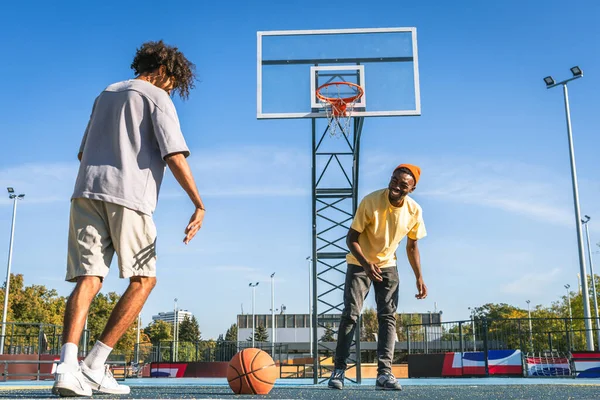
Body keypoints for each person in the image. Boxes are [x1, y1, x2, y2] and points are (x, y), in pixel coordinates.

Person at [52, 40, 205, 397]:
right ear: (165, 71)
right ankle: (94, 365)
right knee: (143, 280)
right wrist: (198, 203)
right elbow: (174, 156)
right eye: (173, 82)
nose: (172, 88)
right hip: (130, 197)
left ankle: (67, 367)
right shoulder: (156, 97)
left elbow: (82, 151)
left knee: (88, 279)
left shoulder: (105, 93)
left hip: (86, 192)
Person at [328, 164, 428, 391]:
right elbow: (351, 237)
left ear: (410, 189)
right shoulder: (371, 201)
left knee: (388, 317)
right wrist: (365, 263)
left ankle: (384, 374)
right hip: (359, 262)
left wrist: (419, 277)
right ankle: (339, 370)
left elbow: (412, 247)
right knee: (351, 315)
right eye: (394, 180)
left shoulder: (414, 211)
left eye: (403, 184)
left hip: (388, 265)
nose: (396, 186)